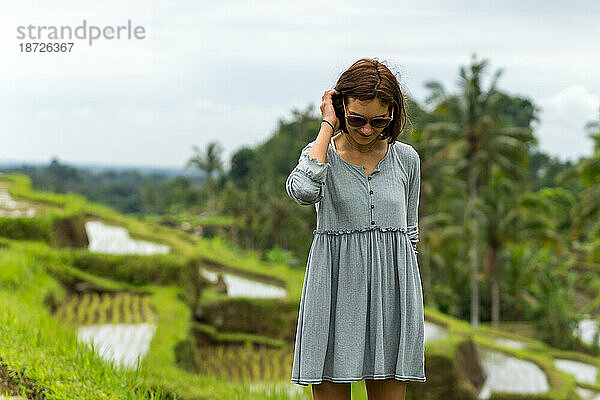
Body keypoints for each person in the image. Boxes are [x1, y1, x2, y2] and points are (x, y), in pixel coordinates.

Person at [285, 58, 426, 400]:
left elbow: (410, 234)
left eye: (379, 120)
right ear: (340, 106)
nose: (367, 130)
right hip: (333, 298)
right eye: (356, 119)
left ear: (393, 114)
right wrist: (326, 126)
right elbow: (303, 191)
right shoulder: (321, 157)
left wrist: (408, 305)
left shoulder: (407, 159)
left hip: (391, 303)